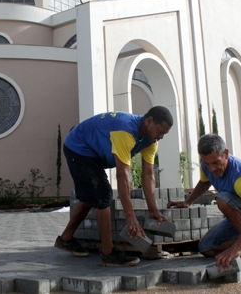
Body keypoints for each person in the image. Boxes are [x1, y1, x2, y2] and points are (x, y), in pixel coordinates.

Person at [54, 106, 174, 266]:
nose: (161, 137)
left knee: (93, 195)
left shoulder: (151, 141)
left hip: (93, 152)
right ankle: (108, 253)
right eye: (160, 131)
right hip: (78, 147)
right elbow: (122, 175)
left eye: (164, 134)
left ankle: (66, 239)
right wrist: (130, 216)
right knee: (103, 195)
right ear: (149, 121)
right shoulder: (125, 131)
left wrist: (154, 210)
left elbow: (148, 175)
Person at [168, 134, 241, 270]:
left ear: (226, 154)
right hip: (240, 212)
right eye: (207, 163)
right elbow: (205, 182)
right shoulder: (206, 166)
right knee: (206, 248)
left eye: (216, 162)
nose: (212, 169)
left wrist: (236, 248)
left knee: (222, 199)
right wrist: (188, 201)